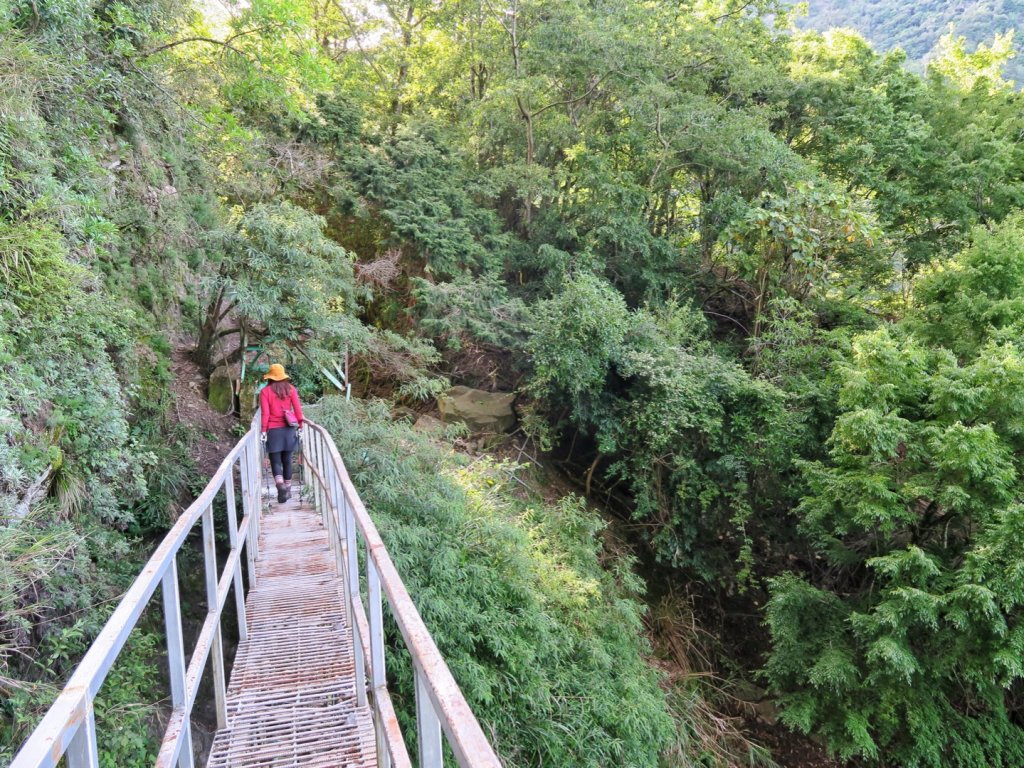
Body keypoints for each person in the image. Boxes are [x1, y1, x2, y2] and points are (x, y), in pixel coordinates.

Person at [259, 363, 304, 503]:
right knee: (288, 460)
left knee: (276, 461)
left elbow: (265, 413)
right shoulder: (291, 389)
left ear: (270, 378)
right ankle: (288, 490)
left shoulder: (265, 392)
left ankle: (280, 486)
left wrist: (263, 430)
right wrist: (300, 426)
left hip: (273, 430)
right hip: (289, 429)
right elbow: (297, 410)